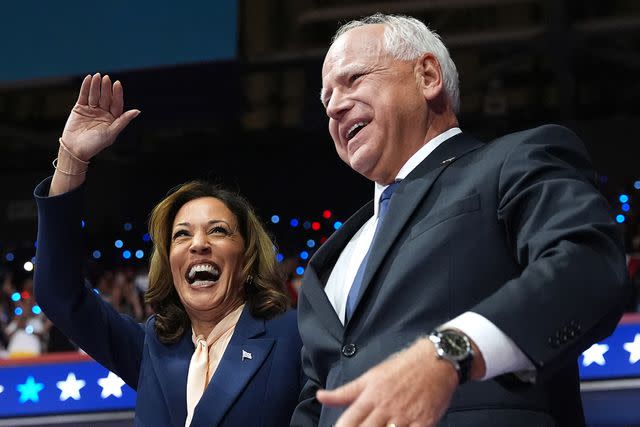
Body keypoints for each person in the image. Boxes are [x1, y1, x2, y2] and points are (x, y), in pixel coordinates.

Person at [291, 13, 629, 427]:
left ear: (428, 75)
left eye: (355, 79)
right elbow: (315, 399)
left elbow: (589, 266)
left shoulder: (513, 161)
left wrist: (449, 352)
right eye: (326, 101)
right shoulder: (330, 260)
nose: (336, 107)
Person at [33, 73, 303, 426]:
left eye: (218, 231)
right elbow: (59, 294)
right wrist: (71, 160)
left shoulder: (294, 337)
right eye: (181, 235)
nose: (199, 245)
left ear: (248, 259)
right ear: (170, 265)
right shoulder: (153, 348)